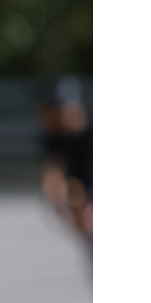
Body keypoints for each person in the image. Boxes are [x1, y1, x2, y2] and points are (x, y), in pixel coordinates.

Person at [37, 75, 93, 245]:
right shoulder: (54, 135)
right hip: (77, 182)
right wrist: (54, 195)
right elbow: (53, 168)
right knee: (82, 221)